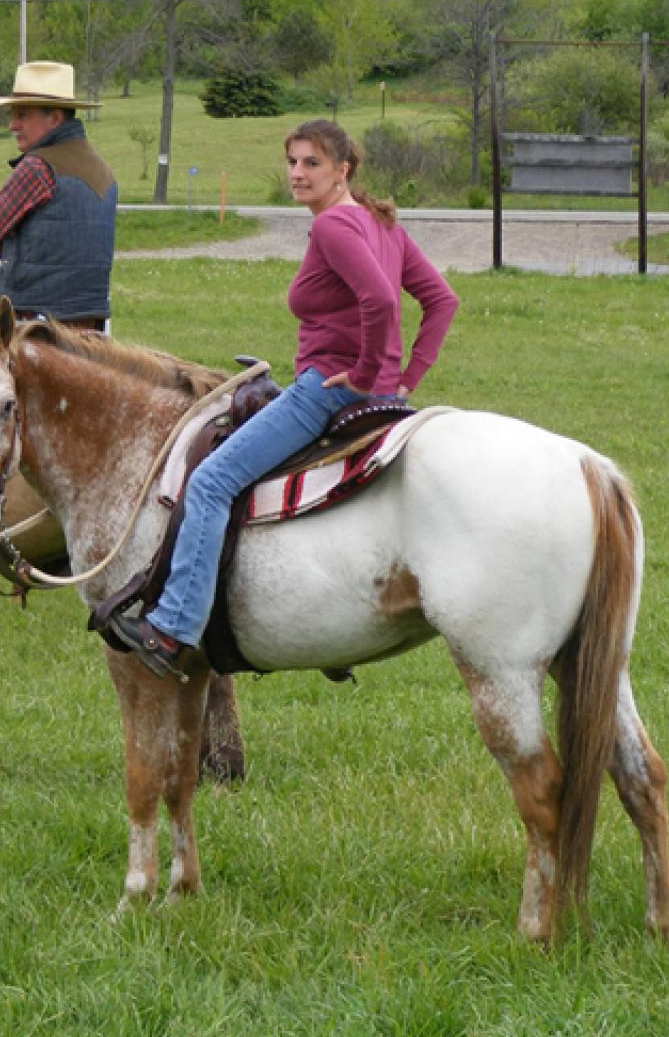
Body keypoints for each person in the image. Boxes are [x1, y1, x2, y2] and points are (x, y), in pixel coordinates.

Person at [109, 119, 460, 678]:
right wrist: (403, 377)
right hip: (383, 399)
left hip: (326, 393)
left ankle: (172, 628)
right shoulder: (381, 223)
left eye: (311, 163)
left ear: (343, 170)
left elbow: (380, 301)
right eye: (292, 161)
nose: (297, 173)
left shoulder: (334, 227)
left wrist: (364, 370)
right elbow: (441, 300)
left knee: (211, 480)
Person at [0, 61, 116, 331]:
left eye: (23, 115)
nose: (13, 125)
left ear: (55, 118)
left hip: (34, 327)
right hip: (90, 328)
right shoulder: (104, 170)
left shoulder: (37, 168)